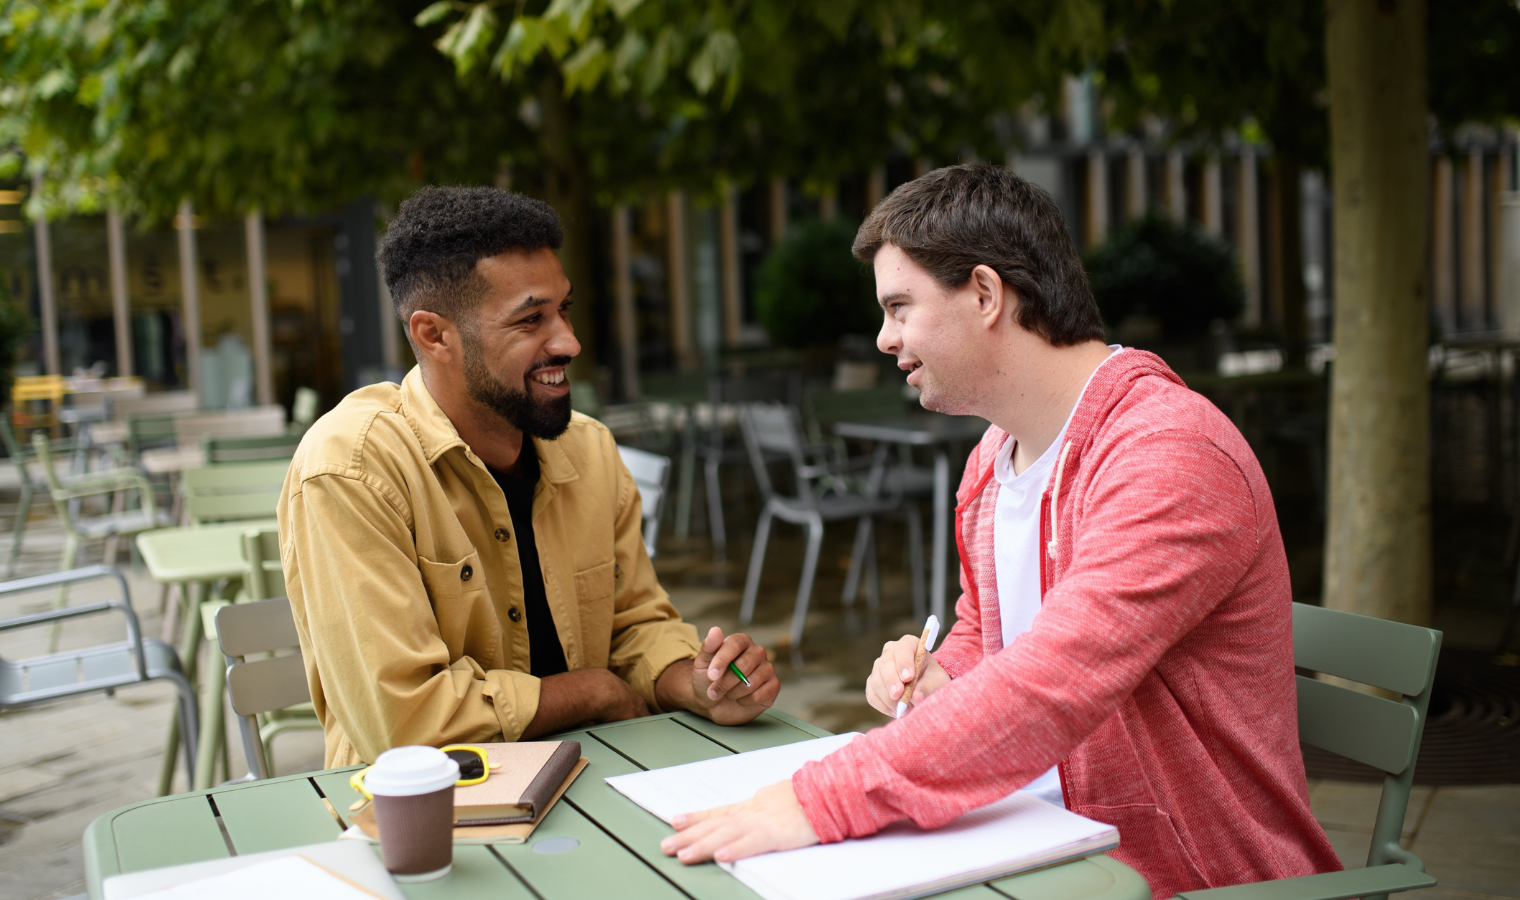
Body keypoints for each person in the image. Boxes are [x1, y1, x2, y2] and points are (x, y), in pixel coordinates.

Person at [660, 164, 1342, 897]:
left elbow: (1054, 681)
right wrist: (944, 674)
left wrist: (818, 799)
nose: (885, 339)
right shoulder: (994, 456)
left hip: (1196, 877)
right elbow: (988, 633)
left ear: (986, 295)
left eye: (899, 307)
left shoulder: (1169, 454)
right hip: (1047, 843)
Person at [278, 186, 779, 767]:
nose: (569, 341)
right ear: (434, 335)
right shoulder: (351, 469)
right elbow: (404, 724)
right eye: (531, 319)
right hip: (431, 811)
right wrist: (590, 692)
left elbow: (635, 626)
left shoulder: (588, 449)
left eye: (565, 309)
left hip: (596, 778)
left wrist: (696, 681)